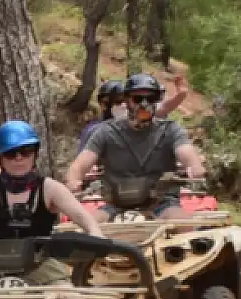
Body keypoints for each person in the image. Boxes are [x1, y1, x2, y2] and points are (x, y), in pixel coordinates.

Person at [0, 122, 103, 298]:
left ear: (35, 154)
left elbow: (85, 219)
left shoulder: (50, 188)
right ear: (0, 157)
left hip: (43, 269)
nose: (18, 158)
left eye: (26, 151)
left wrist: (96, 237)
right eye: (10, 153)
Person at [65, 72, 207, 220]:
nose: (144, 104)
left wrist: (194, 166)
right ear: (127, 101)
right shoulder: (106, 132)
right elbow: (80, 165)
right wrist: (73, 179)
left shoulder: (170, 130)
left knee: (183, 224)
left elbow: (186, 152)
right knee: (88, 227)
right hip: (116, 206)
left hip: (162, 204)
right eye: (137, 99)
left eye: (150, 99)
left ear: (156, 101)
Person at [78, 79, 124, 149]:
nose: (123, 105)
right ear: (103, 104)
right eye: (118, 102)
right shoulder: (93, 131)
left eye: (126, 101)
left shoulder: (132, 130)